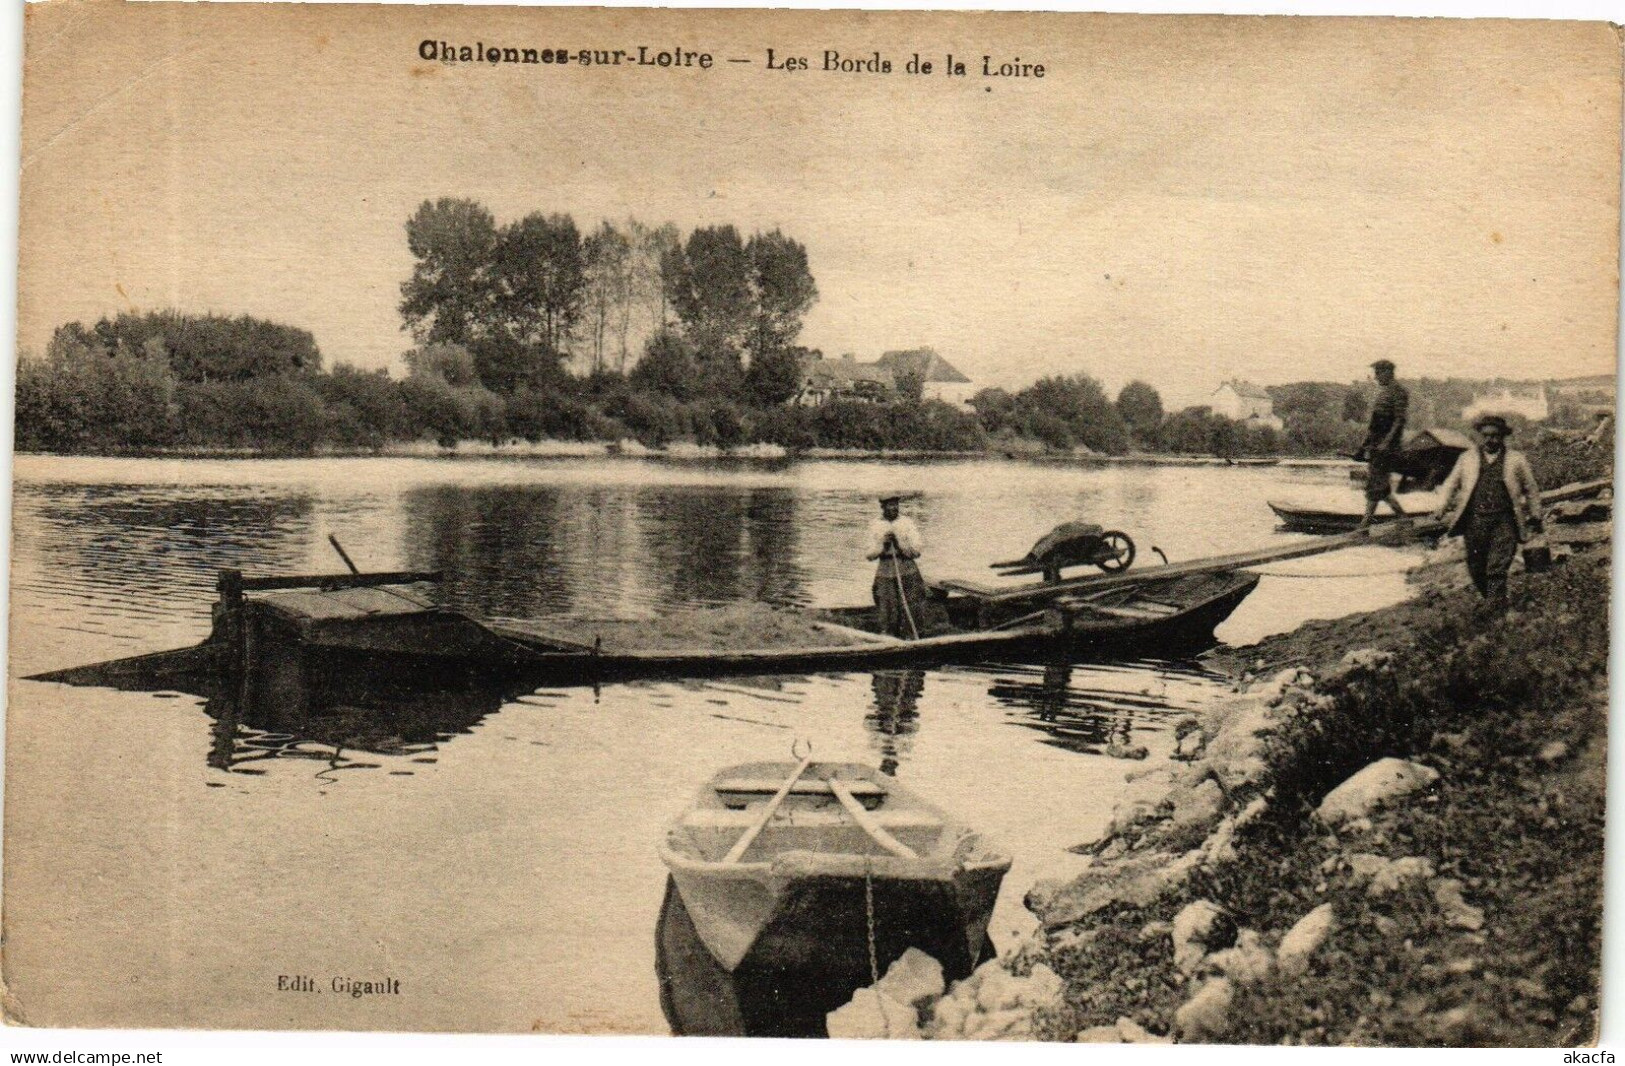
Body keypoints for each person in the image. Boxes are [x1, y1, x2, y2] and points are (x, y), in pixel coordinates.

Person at [1431, 414, 1543, 610]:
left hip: (1505, 520)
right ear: (1479, 436)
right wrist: (1441, 506)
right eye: (1485, 435)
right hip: (1475, 522)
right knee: (1476, 568)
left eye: (1494, 436)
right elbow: (1450, 484)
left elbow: (1531, 488)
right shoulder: (1467, 459)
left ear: (1502, 437)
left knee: (1497, 567)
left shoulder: (1516, 460)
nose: (1489, 440)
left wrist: (1535, 515)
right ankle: (1493, 602)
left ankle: (1496, 612)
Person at [867, 494, 933, 639]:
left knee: (912, 604)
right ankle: (888, 637)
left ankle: (914, 636)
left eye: (896, 504)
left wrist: (899, 544)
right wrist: (882, 545)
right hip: (885, 568)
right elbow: (869, 555)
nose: (894, 507)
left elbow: (916, 551)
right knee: (886, 605)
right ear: (882, 507)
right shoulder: (875, 525)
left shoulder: (907, 523)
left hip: (907, 568)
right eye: (890, 505)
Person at [1356, 359, 1409, 530]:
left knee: (1375, 481)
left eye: (1378, 373)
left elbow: (1399, 420)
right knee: (1380, 484)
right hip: (1376, 444)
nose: (1376, 377)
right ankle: (1402, 517)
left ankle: (1365, 523)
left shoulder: (1399, 392)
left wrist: (1386, 442)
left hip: (1387, 446)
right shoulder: (1383, 392)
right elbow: (1375, 423)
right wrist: (1363, 445)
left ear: (1388, 372)